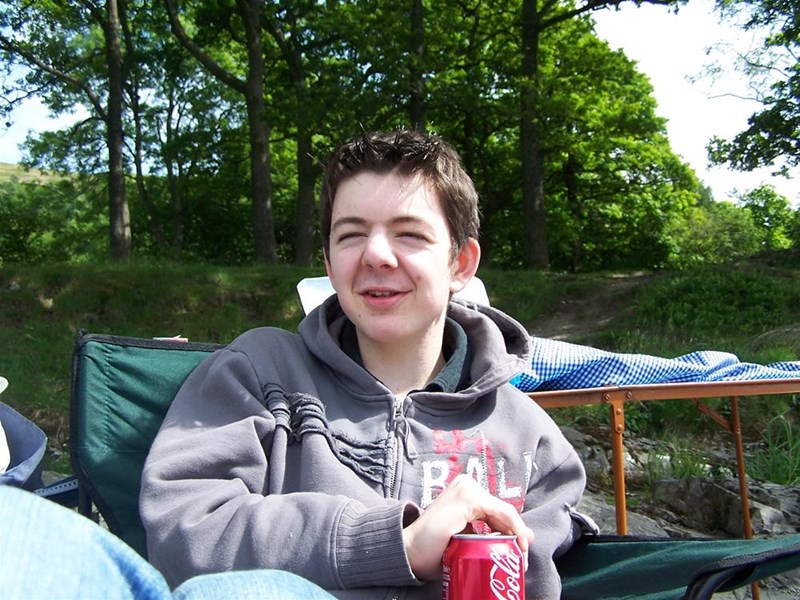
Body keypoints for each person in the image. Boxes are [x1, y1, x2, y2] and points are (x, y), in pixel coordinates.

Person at [140, 130, 596, 599]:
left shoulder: (530, 440)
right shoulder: (258, 373)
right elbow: (184, 531)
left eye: (409, 233)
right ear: (329, 262)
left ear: (460, 263)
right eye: (352, 235)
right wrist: (395, 544)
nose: (376, 255)